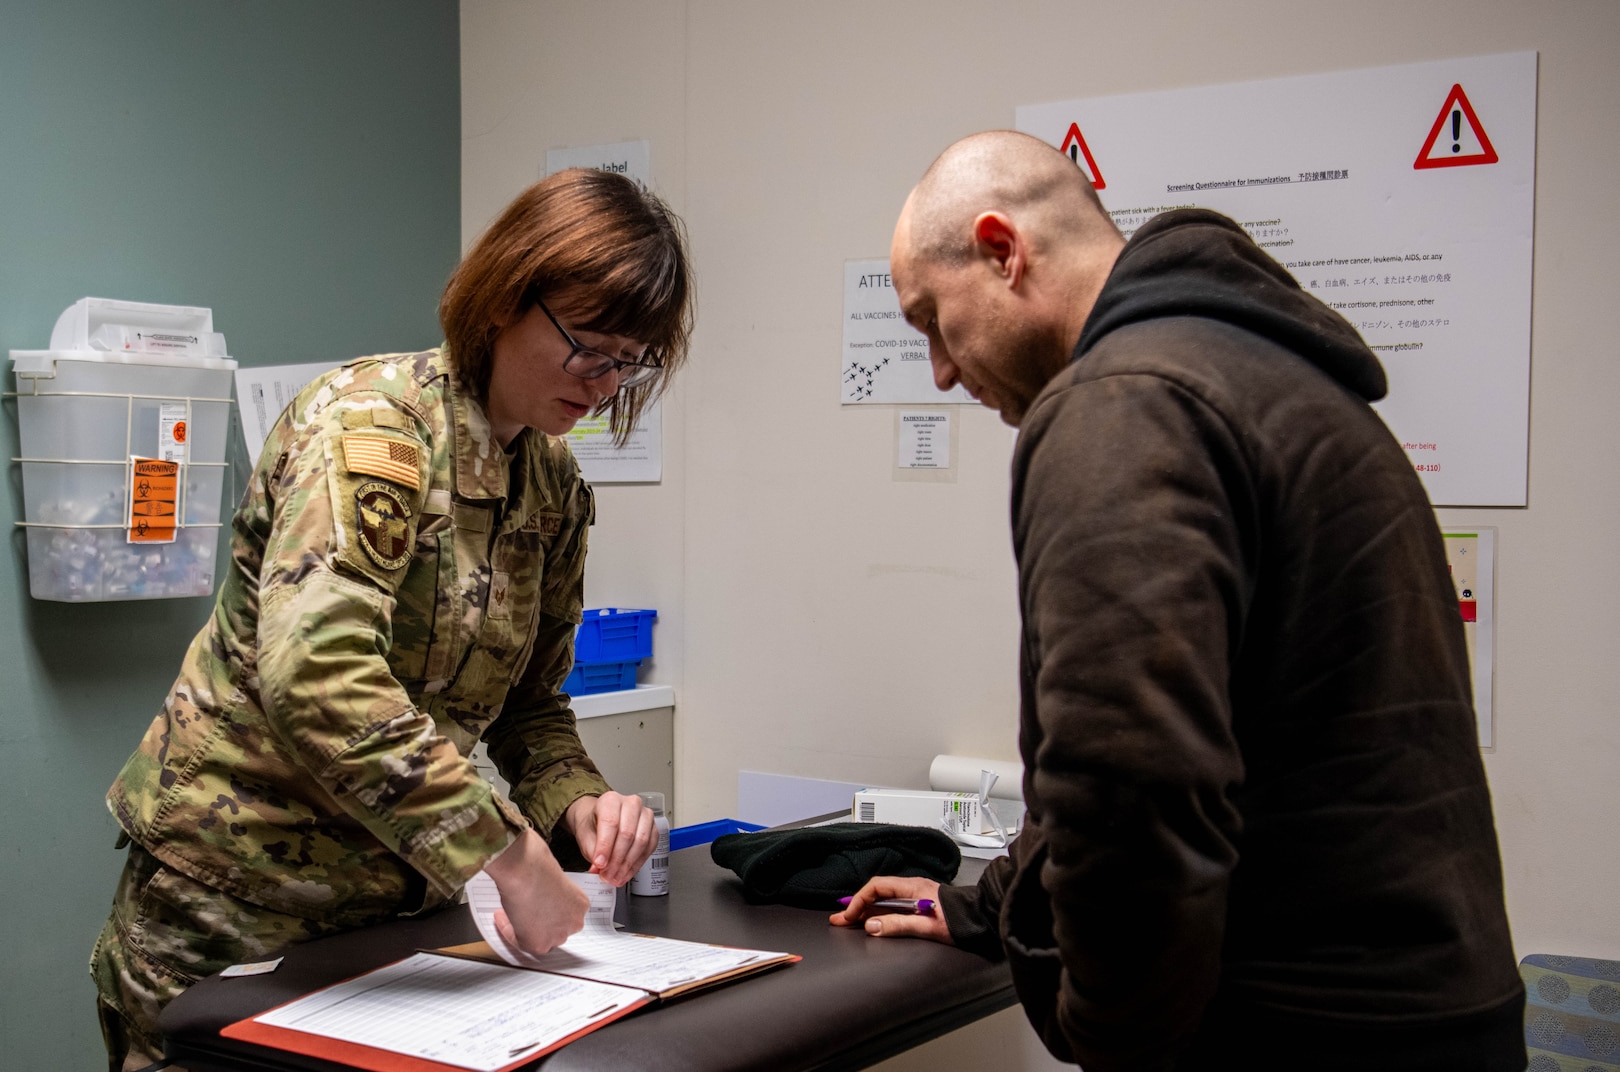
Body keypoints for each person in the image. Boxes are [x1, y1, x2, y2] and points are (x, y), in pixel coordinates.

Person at [832, 131, 1525, 1071]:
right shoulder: (1280, 383)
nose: (942, 373)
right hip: (1430, 1012)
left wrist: (1117, 1047)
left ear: (1003, 252)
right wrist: (982, 906)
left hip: (1297, 1032)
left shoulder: (1121, 405)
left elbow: (1128, 787)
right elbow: (1208, 725)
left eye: (930, 321)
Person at [91, 167, 691, 1071]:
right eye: (589, 349)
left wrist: (581, 806)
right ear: (504, 298)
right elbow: (319, 676)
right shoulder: (372, 431)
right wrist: (510, 854)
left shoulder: (553, 486)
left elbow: (532, 710)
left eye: (630, 362)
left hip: (386, 922)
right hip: (233, 907)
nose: (606, 385)